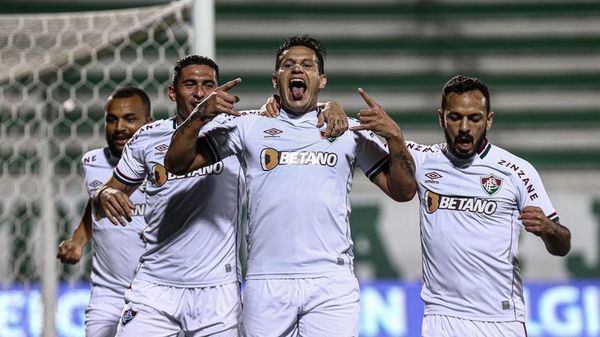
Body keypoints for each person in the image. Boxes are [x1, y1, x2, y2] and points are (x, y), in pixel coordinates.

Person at [165, 35, 417, 337]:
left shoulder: (345, 130)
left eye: (307, 65)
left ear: (321, 80)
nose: (297, 69)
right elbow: (177, 163)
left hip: (330, 281)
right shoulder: (249, 125)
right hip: (266, 280)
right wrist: (198, 118)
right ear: (276, 79)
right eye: (288, 65)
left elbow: (403, 191)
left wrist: (395, 139)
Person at [93, 54, 349, 337]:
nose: (199, 93)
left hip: (217, 290)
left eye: (208, 85)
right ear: (172, 91)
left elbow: (292, 117)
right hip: (155, 286)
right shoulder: (147, 137)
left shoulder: (236, 129)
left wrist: (329, 105)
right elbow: (107, 194)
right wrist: (103, 194)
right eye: (190, 84)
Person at [404, 75, 571, 336]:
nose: (464, 127)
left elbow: (563, 245)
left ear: (489, 120)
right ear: (441, 118)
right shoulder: (424, 160)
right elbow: (369, 134)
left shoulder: (516, 171)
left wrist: (549, 229)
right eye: (455, 117)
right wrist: (330, 106)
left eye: (474, 118)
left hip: (501, 319)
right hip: (442, 317)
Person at [57, 86, 152, 337]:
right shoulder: (92, 162)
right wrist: (77, 241)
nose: (119, 127)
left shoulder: (164, 164)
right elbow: (95, 205)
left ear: (149, 123)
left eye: (130, 119)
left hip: (153, 290)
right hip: (106, 293)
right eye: (112, 119)